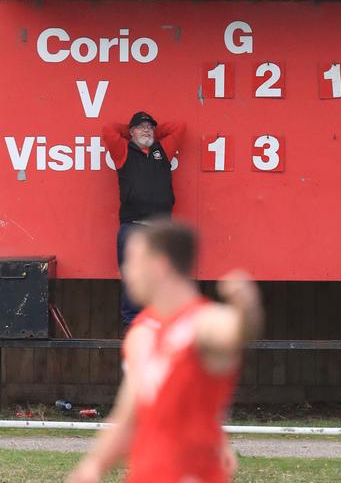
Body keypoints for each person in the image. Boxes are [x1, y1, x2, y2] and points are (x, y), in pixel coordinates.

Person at [67, 220, 263, 483]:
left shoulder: (201, 322)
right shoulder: (141, 332)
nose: (126, 271)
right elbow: (127, 416)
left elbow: (238, 330)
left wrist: (246, 304)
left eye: (133, 261)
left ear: (159, 265)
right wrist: (92, 467)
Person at [102, 112, 187, 331]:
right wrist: (129, 128)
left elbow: (179, 126)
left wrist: (152, 132)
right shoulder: (123, 151)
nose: (147, 130)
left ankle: (159, 321)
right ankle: (132, 324)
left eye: (150, 127)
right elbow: (109, 128)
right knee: (134, 277)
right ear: (131, 132)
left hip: (161, 229)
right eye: (141, 127)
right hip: (133, 226)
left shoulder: (163, 150)